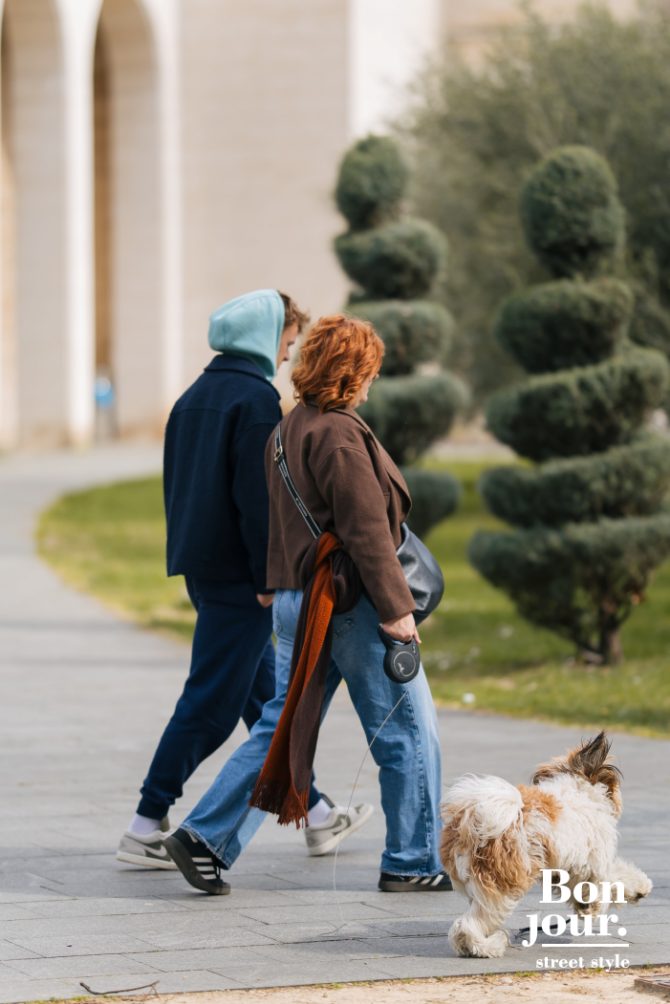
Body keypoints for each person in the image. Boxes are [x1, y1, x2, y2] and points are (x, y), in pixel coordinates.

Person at [164, 314, 451, 894]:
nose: (372, 381)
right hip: (352, 605)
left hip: (301, 599)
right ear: (353, 372)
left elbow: (281, 521)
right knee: (408, 731)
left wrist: (276, 585)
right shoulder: (340, 434)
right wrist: (396, 611)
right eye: (369, 370)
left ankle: (204, 837)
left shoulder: (288, 428)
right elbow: (367, 531)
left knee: (281, 725)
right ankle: (413, 861)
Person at [117, 292, 372, 869]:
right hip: (244, 580)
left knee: (266, 702)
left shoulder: (193, 396)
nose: (286, 357)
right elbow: (259, 502)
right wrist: (269, 575)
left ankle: (319, 813)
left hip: (205, 571)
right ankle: (144, 822)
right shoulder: (256, 400)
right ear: (264, 336)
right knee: (211, 702)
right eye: (286, 342)